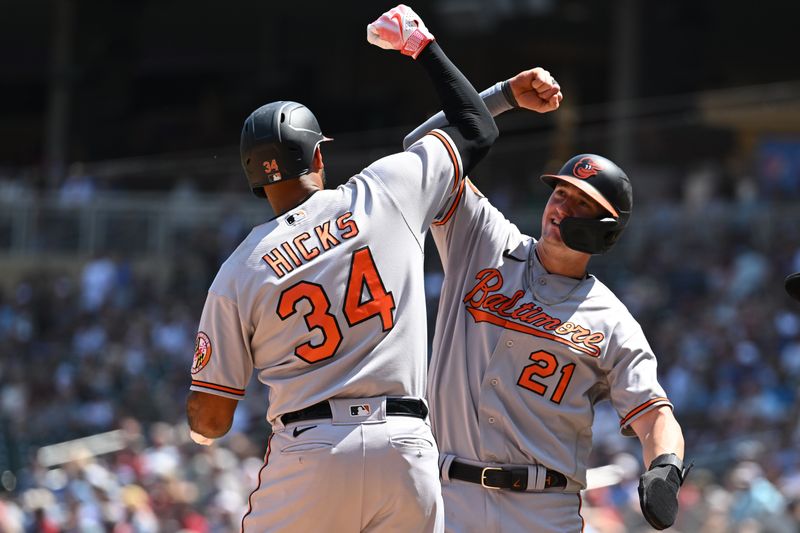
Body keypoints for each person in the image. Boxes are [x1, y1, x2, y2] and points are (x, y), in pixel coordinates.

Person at [185, 5, 498, 532]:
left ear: (255, 180)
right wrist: (422, 47)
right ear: (319, 158)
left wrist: (199, 425)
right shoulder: (385, 191)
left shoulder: (239, 269)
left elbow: (212, 419)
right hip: (405, 447)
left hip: (311, 453)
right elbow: (477, 127)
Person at [404, 71, 690, 531]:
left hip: (542, 509)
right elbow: (419, 150)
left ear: (606, 230)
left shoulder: (611, 320)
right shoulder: (483, 240)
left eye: (581, 204)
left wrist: (665, 468)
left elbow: (655, 412)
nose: (561, 207)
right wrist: (501, 98)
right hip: (445, 495)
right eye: (560, 193)